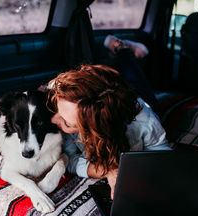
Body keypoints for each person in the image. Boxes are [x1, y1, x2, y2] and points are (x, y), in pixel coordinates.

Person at [47, 64, 171, 199]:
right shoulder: (65, 98)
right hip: (108, 89)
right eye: (55, 108)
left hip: (135, 100)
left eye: (66, 123)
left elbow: (162, 154)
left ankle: (124, 49)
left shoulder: (146, 122)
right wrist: (107, 171)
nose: (52, 120)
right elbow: (69, 159)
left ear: (95, 131)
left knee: (138, 77)